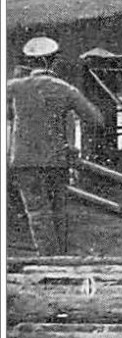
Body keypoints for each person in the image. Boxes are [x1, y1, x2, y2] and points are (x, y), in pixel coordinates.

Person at [7, 36, 104, 254]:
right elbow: (96, 119)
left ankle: (47, 259)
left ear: (29, 63)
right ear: (51, 61)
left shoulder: (13, 88)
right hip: (55, 160)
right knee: (58, 210)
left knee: (36, 211)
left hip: (24, 161)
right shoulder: (64, 89)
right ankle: (61, 258)